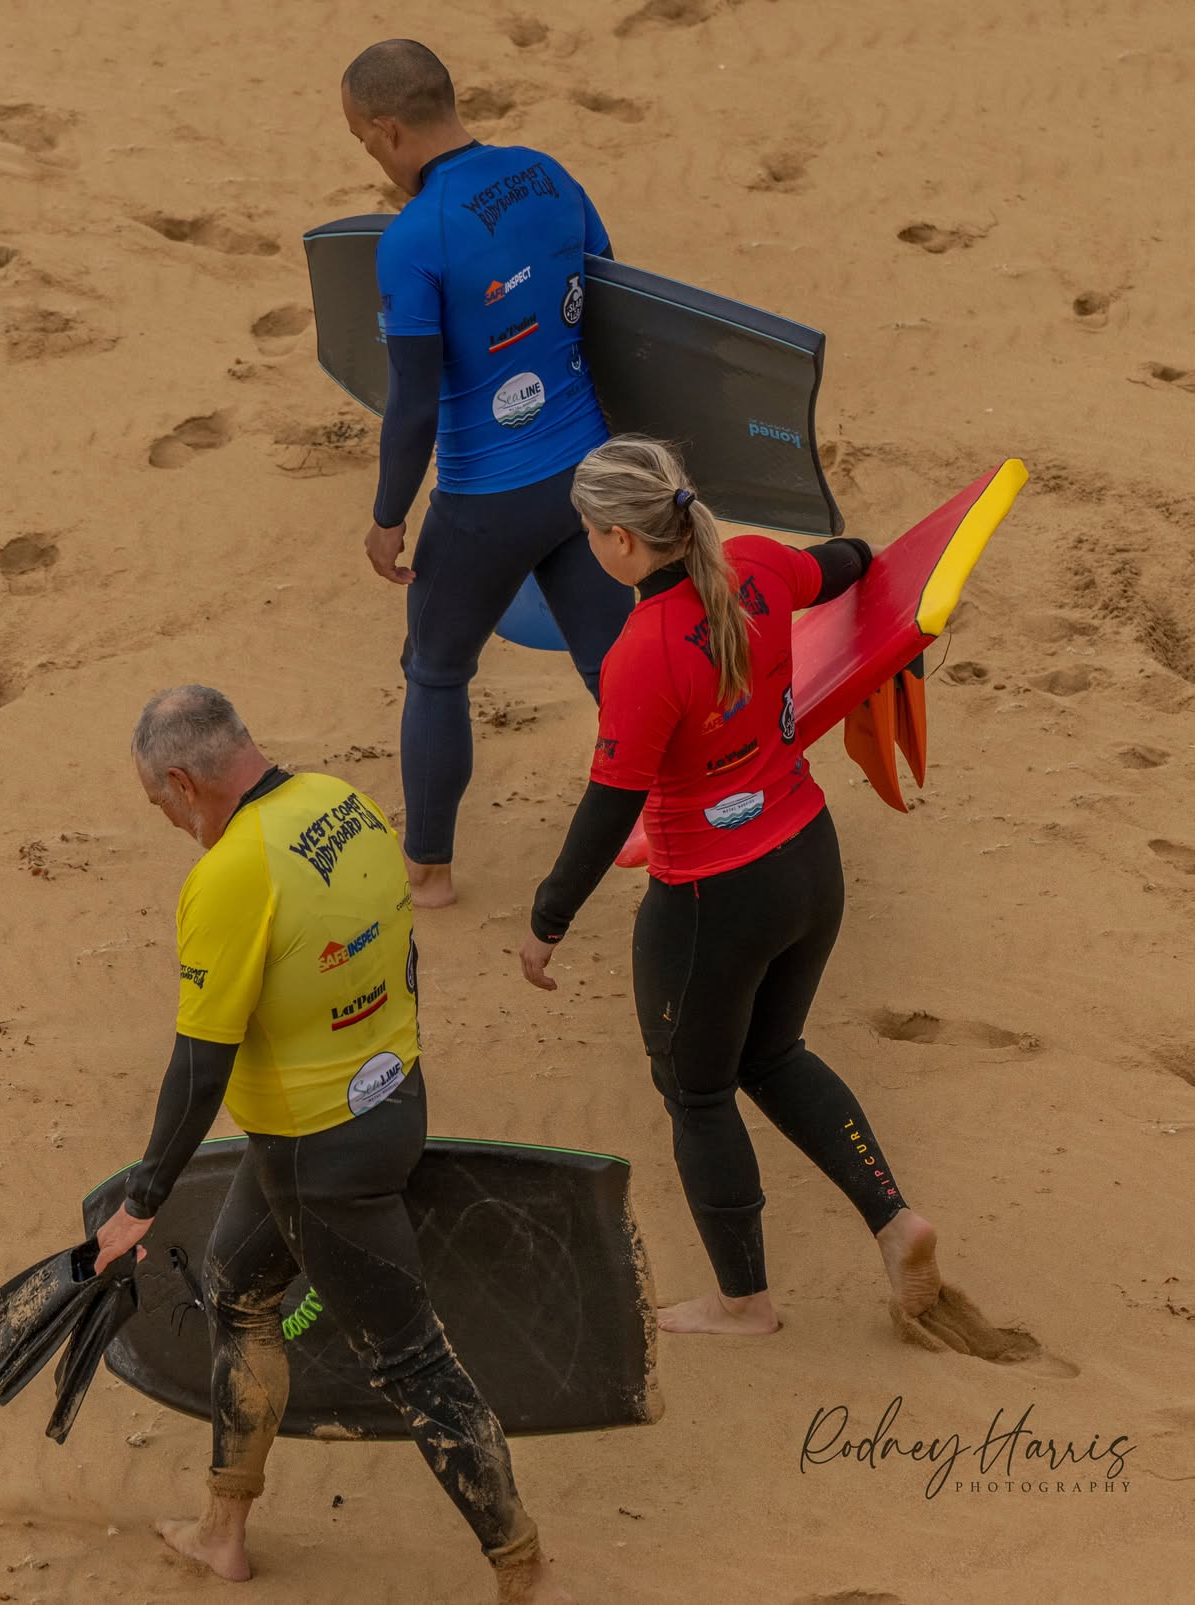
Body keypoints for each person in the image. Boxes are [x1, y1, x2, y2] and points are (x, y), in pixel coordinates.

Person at [91, 686, 574, 1604]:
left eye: (160, 804)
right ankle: (223, 1529)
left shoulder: (231, 874)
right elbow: (403, 955)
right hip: (390, 1104)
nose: (171, 823)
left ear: (184, 783)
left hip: (317, 1158)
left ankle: (527, 1573)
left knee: (413, 1361)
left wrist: (142, 1200)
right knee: (238, 1289)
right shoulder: (343, 805)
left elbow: (199, 1064)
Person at [514, 437, 944, 1336]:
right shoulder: (755, 564)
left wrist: (547, 920)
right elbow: (853, 561)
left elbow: (609, 809)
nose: (589, 544)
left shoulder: (642, 653)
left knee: (698, 1091)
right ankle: (895, 1220)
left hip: (715, 900)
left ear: (622, 542)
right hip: (809, 860)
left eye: (590, 531)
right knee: (773, 1053)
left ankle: (743, 1302)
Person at [340, 40, 633, 910]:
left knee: (435, 669)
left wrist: (388, 515)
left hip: (484, 503)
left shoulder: (413, 238)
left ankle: (429, 874)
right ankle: (691, 819)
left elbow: (413, 404)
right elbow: (616, 302)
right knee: (618, 674)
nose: (370, 156)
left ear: (389, 130)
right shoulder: (548, 174)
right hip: (587, 477)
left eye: (363, 141)